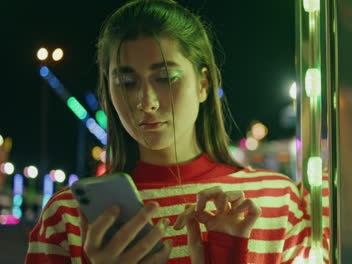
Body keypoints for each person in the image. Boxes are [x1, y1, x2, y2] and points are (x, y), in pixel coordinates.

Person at [25, 0, 312, 263]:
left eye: (165, 78)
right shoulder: (69, 217)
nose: (145, 102)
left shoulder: (274, 201)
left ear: (203, 84)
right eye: (126, 82)